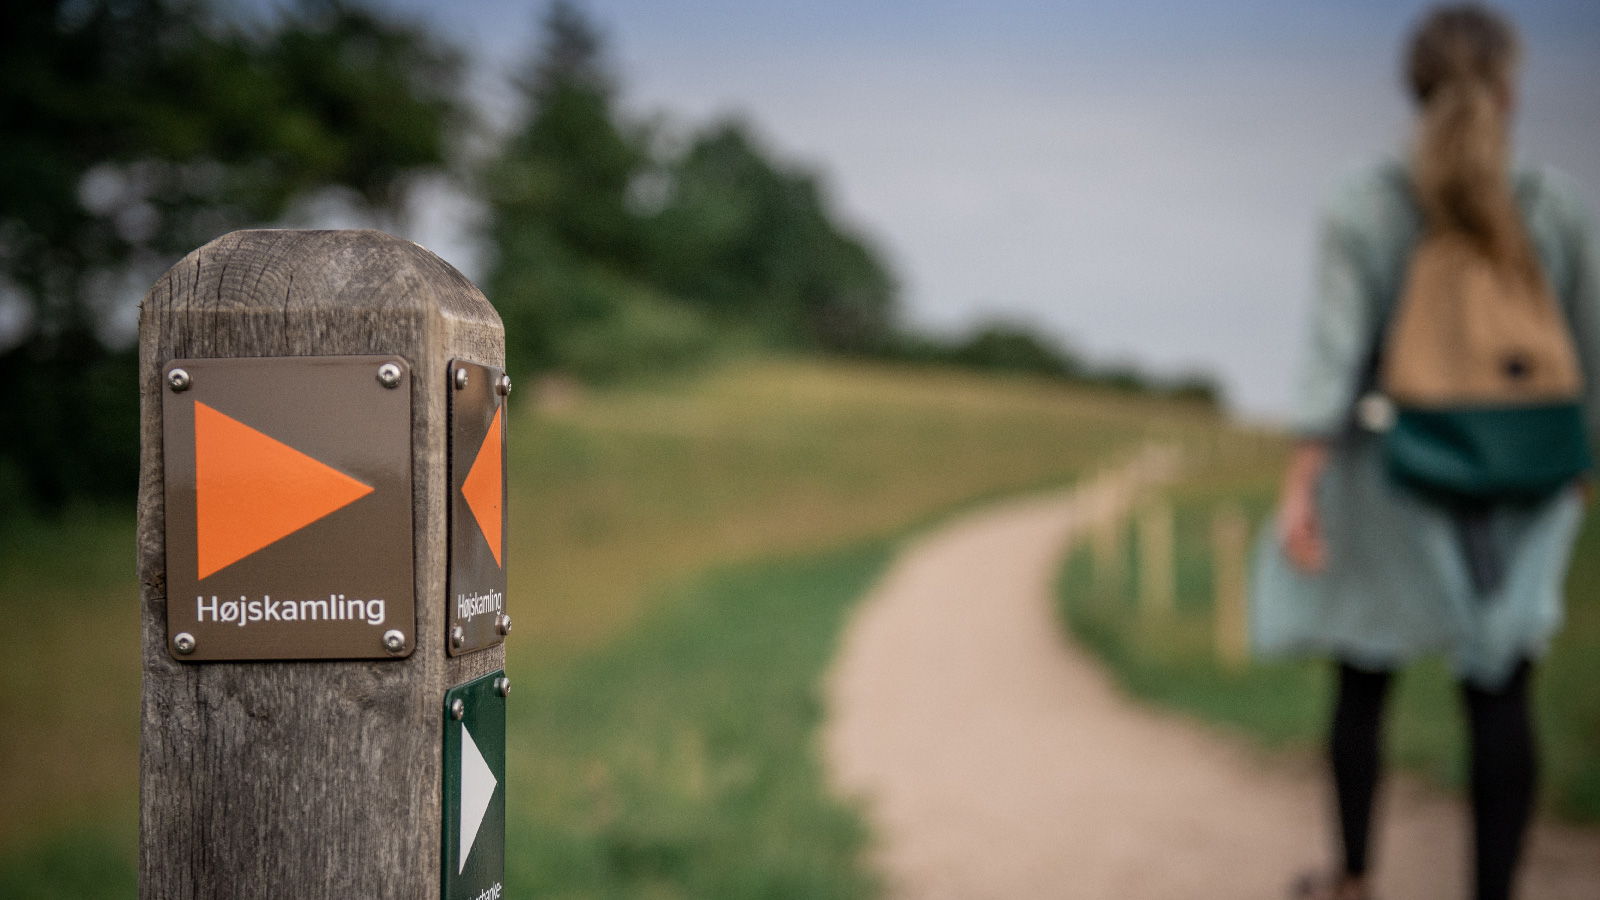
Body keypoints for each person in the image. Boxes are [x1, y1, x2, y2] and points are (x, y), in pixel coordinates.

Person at [1251, 5, 1600, 900]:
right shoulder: (1553, 205)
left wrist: (1301, 484)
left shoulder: (1364, 203)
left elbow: (1333, 354)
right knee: (1502, 693)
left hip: (1394, 472)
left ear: (1412, 88)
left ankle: (1356, 876)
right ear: (1511, 90)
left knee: (1363, 674)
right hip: (1526, 482)